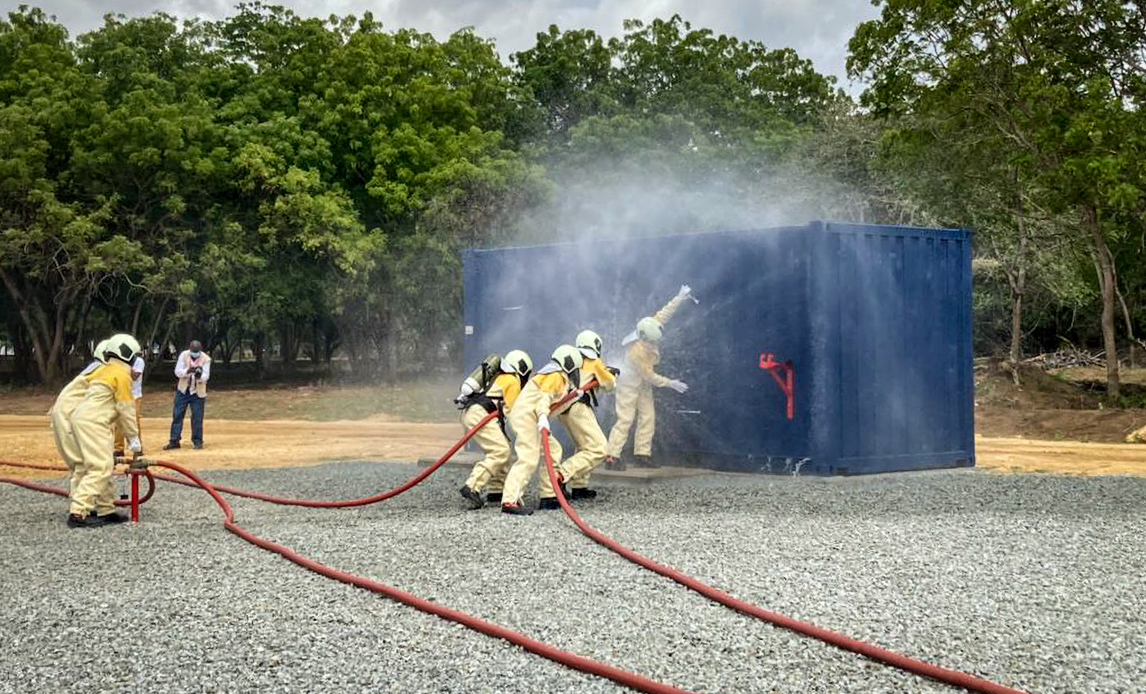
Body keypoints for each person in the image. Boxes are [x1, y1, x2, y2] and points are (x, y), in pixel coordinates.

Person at [605, 285, 692, 470]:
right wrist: (671, 384)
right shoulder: (635, 352)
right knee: (625, 419)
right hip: (628, 383)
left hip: (641, 382)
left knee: (648, 416)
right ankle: (612, 456)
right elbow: (650, 376)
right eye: (653, 341)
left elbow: (664, 314)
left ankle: (642, 454)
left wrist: (679, 297)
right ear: (645, 338)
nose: (655, 343)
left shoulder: (649, 325)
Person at [65, 334, 143, 528]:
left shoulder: (104, 370)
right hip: (94, 422)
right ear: (128, 355)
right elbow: (125, 409)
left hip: (82, 419)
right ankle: (78, 512)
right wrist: (134, 439)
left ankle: (106, 509)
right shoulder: (121, 375)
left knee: (94, 464)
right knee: (101, 467)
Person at [499, 345, 583, 515]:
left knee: (553, 450)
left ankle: (549, 495)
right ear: (569, 364)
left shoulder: (555, 376)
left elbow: (555, 405)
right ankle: (509, 500)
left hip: (532, 417)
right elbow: (544, 399)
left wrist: (573, 397)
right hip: (526, 418)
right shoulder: (555, 376)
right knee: (528, 458)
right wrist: (543, 417)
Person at [546, 330, 618, 505]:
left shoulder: (574, 358)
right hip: (578, 407)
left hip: (564, 409)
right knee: (599, 447)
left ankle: (579, 486)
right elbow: (609, 384)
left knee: (583, 445)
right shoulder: (594, 361)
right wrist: (612, 373)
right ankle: (561, 474)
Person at [455, 349, 533, 509]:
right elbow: (512, 411)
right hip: (480, 414)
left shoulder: (499, 376)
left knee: (503, 447)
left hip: (474, 412)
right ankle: (472, 486)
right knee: (500, 451)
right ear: (523, 369)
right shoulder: (512, 380)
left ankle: (496, 490)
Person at [48, 339, 109, 498]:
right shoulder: (103, 372)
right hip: (69, 417)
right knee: (82, 463)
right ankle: (81, 512)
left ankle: (90, 505)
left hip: (65, 415)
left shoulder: (94, 369)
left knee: (83, 463)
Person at [164, 340, 211, 450]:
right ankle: (174, 440)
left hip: (198, 392)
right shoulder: (184, 355)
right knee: (177, 415)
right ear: (190, 349)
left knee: (197, 417)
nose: (195, 354)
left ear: (200, 350)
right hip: (183, 390)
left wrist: (199, 375)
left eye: (197, 351)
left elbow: (206, 376)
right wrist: (188, 370)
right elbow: (177, 372)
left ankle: (197, 441)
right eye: (193, 351)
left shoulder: (206, 359)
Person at [113, 352, 145, 455]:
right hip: (122, 394)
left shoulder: (139, 361)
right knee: (118, 421)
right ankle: (118, 448)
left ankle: (137, 447)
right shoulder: (119, 362)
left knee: (134, 421)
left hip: (135, 395)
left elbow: (135, 376)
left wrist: (125, 368)